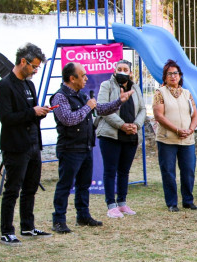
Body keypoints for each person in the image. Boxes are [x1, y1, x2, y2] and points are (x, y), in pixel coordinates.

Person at [49, 62, 134, 234]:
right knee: (65, 185)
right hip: (70, 148)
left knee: (83, 184)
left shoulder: (80, 95)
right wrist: (88, 106)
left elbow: (99, 109)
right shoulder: (60, 97)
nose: (86, 78)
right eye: (83, 75)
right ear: (72, 78)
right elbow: (69, 119)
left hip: (85, 146)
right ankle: (59, 219)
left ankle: (83, 215)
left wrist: (119, 102)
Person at [0, 43, 52, 245]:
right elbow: (7, 118)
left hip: (33, 144)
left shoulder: (30, 85)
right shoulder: (5, 86)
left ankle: (27, 226)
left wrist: (41, 112)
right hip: (15, 146)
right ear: (22, 62)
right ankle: (6, 230)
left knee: (30, 188)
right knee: (13, 189)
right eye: (34, 67)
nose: (36, 71)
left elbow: (30, 114)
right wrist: (32, 112)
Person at [95, 59, 146, 218]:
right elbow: (103, 108)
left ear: (131, 72)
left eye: (125, 69)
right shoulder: (107, 85)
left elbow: (143, 109)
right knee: (110, 170)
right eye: (119, 68)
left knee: (124, 171)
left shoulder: (135, 87)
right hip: (111, 135)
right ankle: (111, 205)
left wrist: (136, 125)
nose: (122, 71)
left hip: (131, 135)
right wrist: (122, 125)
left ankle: (122, 203)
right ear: (115, 70)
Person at [153, 60, 197, 211]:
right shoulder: (160, 93)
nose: (173, 76)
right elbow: (159, 116)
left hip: (187, 139)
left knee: (188, 170)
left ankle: (188, 200)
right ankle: (172, 203)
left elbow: (195, 115)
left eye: (176, 73)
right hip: (167, 139)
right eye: (169, 74)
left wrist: (191, 129)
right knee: (168, 171)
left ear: (180, 76)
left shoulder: (187, 93)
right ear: (165, 77)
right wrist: (177, 130)